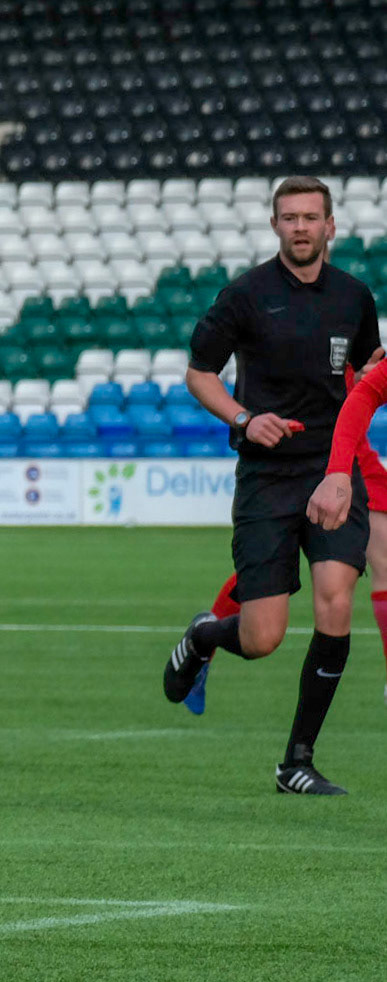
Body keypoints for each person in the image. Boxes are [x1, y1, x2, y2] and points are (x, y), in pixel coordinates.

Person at [161, 176, 379, 795]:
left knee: (336, 599)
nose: (301, 227)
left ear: (332, 225)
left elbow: (367, 371)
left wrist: (367, 375)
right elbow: (199, 373)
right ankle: (207, 634)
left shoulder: (355, 297)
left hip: (333, 471)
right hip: (267, 477)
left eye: (312, 217)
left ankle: (296, 763)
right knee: (263, 639)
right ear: (275, 225)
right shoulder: (246, 295)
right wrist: (243, 419)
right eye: (290, 218)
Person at [183, 438, 387, 716]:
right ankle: (203, 641)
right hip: (314, 450)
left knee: (377, 557)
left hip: (346, 444)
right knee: (273, 568)